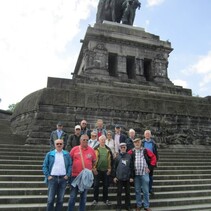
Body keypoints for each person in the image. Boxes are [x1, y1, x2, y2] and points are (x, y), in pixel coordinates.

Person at [67, 135, 96, 211]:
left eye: (87, 140)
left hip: (86, 177)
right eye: (84, 140)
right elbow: (69, 161)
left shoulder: (91, 150)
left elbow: (94, 161)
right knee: (73, 196)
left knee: (83, 196)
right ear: (80, 141)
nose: (85, 141)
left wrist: (90, 169)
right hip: (75, 176)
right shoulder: (75, 149)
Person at [42, 139, 72, 211]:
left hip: (63, 179)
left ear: (63, 145)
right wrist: (48, 176)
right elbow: (44, 166)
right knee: (50, 200)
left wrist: (67, 175)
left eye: (60, 144)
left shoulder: (66, 154)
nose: (59, 145)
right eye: (57, 144)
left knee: (60, 200)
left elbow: (70, 165)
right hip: (52, 179)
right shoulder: (49, 154)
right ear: (55, 145)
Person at [128, 138, 156, 211]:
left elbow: (153, 157)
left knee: (146, 190)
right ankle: (139, 205)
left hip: (144, 173)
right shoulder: (131, 151)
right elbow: (126, 157)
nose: (137, 144)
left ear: (140, 143)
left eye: (138, 142)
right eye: (135, 142)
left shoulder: (145, 150)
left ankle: (146, 206)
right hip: (136, 174)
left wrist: (150, 167)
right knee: (137, 190)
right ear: (134, 144)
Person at [92, 135, 113, 206]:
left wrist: (110, 169)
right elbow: (92, 160)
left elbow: (111, 160)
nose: (103, 141)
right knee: (96, 185)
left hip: (106, 170)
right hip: (97, 170)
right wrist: (93, 168)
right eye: (101, 140)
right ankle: (95, 199)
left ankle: (106, 199)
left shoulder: (108, 149)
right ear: (99, 140)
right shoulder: (95, 148)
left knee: (106, 185)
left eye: (104, 140)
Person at [113, 142, 133, 211]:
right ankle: (119, 206)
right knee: (119, 193)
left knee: (128, 193)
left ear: (126, 148)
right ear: (120, 148)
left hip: (127, 178)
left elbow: (131, 167)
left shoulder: (129, 156)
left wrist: (131, 177)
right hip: (119, 178)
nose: (123, 148)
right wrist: (114, 177)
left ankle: (128, 206)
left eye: (124, 147)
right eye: (121, 147)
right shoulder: (117, 157)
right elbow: (114, 167)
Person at [142, 130, 159, 195]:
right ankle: (143, 189)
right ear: (144, 135)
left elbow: (156, 153)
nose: (147, 135)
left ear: (150, 135)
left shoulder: (153, 143)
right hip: (143, 161)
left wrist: (156, 161)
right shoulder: (142, 142)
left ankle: (150, 189)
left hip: (151, 161)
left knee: (150, 176)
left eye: (148, 134)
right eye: (146, 134)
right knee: (143, 176)